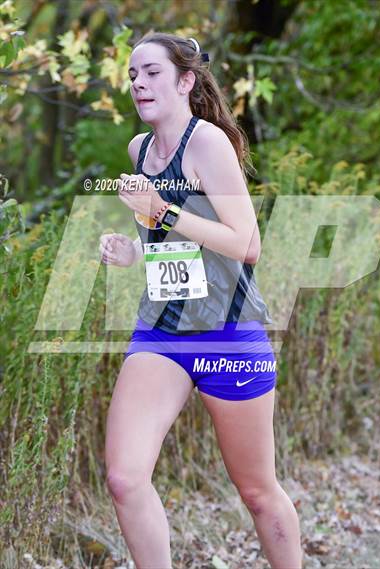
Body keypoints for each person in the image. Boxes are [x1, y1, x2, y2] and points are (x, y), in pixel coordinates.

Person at [99, 32, 302, 569]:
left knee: (257, 492)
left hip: (228, 334)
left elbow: (247, 244)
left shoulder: (207, 143)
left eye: (151, 73)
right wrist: (131, 254)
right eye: (133, 75)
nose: (138, 82)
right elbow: (176, 249)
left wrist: (161, 210)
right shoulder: (139, 151)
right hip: (162, 333)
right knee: (124, 478)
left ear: (185, 81)